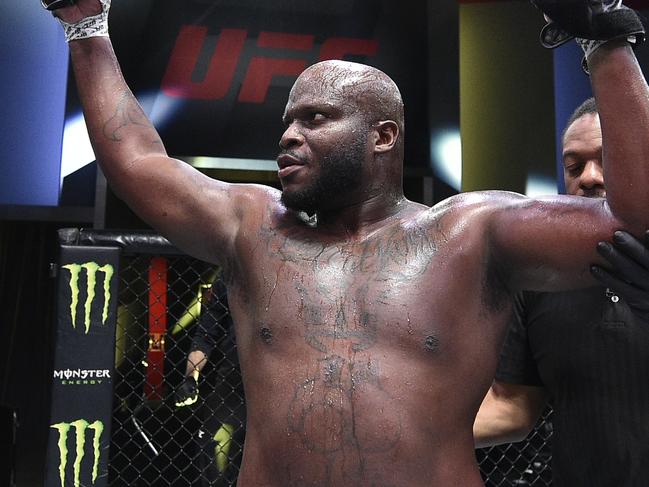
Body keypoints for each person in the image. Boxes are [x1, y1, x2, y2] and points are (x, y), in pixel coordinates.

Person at [43, 0, 649, 484]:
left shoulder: (469, 233)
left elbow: (632, 216)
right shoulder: (254, 227)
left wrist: (606, 39)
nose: (287, 136)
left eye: (315, 118)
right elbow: (135, 161)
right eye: (287, 121)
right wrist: (85, 21)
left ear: (383, 136)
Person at [474, 98, 649, 485]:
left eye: (610, 159)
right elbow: (512, 406)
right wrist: (392, 433)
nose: (588, 177)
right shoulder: (539, 278)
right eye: (574, 166)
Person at [174, 277, 246, 485]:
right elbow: (205, 335)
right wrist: (191, 376)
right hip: (234, 376)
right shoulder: (229, 277)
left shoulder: (285, 271)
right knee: (212, 439)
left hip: (276, 377)